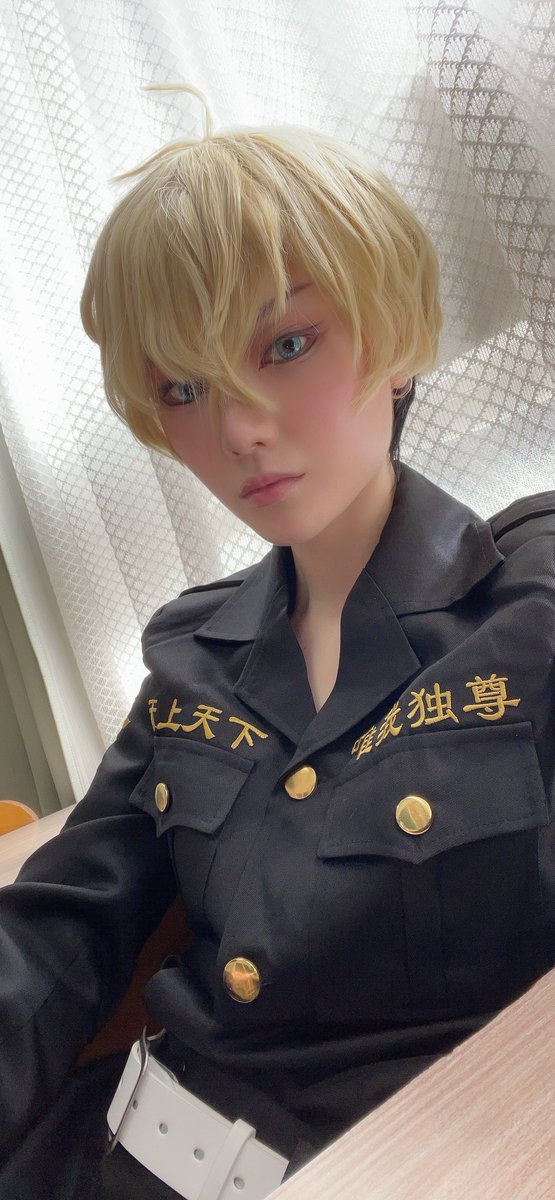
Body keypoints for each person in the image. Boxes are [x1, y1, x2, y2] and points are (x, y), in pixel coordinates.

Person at [1, 87, 554, 1200]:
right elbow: (60, 930)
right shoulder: (192, 657)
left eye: (287, 344)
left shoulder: (529, 601)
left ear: (393, 340)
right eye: (185, 387)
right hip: (98, 1159)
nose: (240, 427)